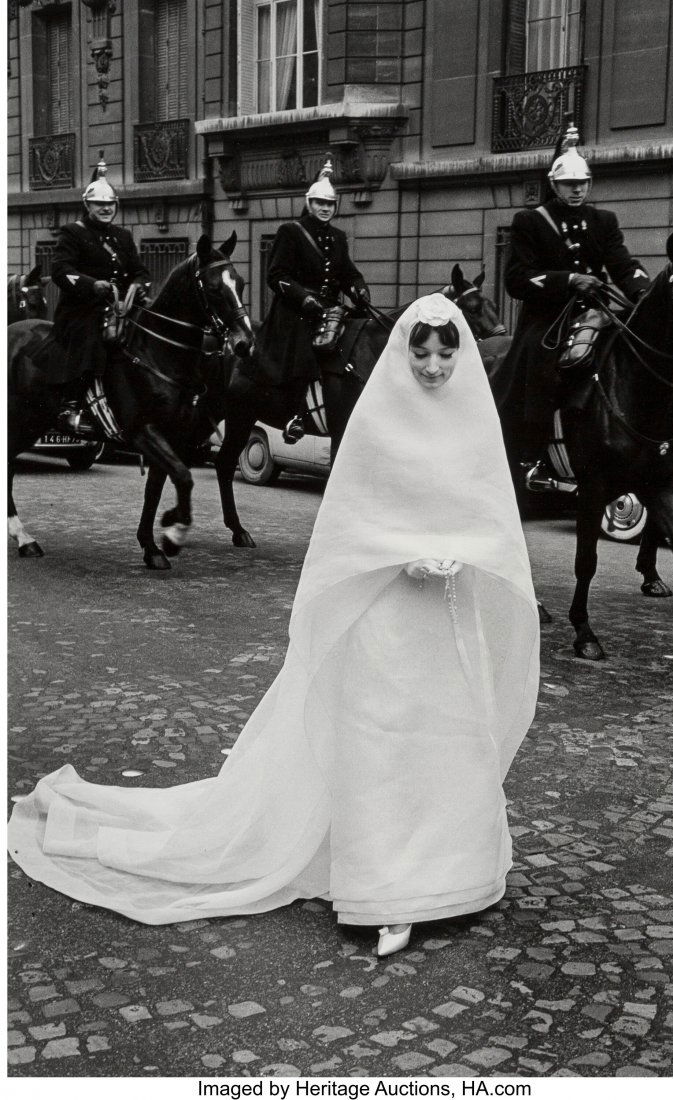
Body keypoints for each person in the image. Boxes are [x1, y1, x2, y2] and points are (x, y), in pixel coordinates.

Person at [8, 294, 539, 958]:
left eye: (444, 354)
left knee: (446, 736)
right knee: (383, 738)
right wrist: (400, 558)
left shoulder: (472, 422)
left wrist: (463, 556)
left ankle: (450, 875)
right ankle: (384, 890)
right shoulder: (377, 421)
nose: (433, 367)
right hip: (387, 610)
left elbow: (490, 516)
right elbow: (353, 519)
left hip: (450, 613)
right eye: (421, 353)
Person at [502, 119, 650, 480]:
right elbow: (516, 279)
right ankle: (532, 456)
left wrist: (643, 293)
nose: (577, 190)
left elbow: (622, 264)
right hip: (548, 317)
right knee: (542, 366)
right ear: (554, 184)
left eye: (582, 183)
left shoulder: (603, 220)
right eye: (569, 184)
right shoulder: (530, 221)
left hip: (594, 312)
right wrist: (568, 280)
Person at [256, 158, 371, 445]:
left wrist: (359, 289)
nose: (324, 208)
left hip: (329, 312)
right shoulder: (291, 232)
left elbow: (348, 274)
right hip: (296, 312)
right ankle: (295, 415)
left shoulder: (338, 237)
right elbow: (277, 275)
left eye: (329, 204)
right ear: (309, 203)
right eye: (319, 202)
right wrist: (303, 298)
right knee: (307, 353)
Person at [43, 154, 150, 435]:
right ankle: (72, 405)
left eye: (109, 205)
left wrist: (139, 286)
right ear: (87, 205)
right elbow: (60, 270)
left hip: (119, 309)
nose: (105, 209)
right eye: (99, 205)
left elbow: (140, 271)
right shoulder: (73, 233)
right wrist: (92, 285)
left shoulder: (123, 237)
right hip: (82, 310)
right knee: (92, 339)